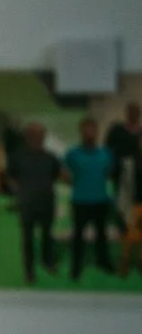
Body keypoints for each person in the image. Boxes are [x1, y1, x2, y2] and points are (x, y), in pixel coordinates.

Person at [6, 120, 61, 284]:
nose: (39, 137)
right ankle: (29, 270)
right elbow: (10, 177)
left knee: (47, 235)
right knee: (27, 238)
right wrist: (19, 192)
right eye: (35, 134)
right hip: (27, 204)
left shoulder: (51, 157)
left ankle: (47, 261)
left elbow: (55, 175)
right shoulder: (17, 156)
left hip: (47, 202)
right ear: (28, 136)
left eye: (41, 134)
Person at [63, 117, 117, 280]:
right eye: (86, 130)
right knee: (78, 236)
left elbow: (108, 172)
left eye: (92, 130)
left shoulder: (105, 154)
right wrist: (73, 182)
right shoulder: (73, 154)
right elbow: (63, 172)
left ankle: (103, 261)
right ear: (81, 133)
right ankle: (76, 267)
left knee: (102, 234)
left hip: (101, 200)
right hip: (80, 201)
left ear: (96, 132)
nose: (89, 134)